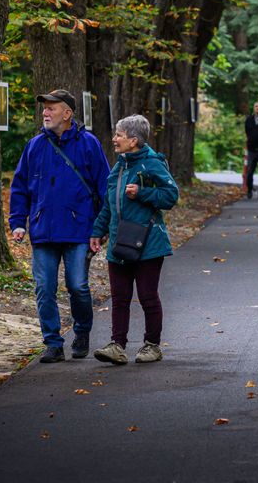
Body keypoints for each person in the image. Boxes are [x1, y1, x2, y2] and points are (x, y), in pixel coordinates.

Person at [9, 89, 111, 363]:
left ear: (67, 113)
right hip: (43, 230)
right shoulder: (34, 146)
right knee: (44, 287)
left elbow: (105, 186)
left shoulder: (89, 143)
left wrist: (101, 228)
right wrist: (18, 222)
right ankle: (53, 343)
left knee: (77, 286)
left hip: (80, 229)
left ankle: (82, 332)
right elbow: (20, 187)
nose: (45, 112)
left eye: (52, 108)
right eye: (44, 107)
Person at [89, 115, 179, 364]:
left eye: (119, 135)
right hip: (119, 241)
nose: (114, 139)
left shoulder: (151, 163)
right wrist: (98, 231)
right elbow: (109, 203)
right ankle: (117, 346)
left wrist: (143, 193)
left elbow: (171, 195)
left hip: (149, 241)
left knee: (148, 296)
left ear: (134, 140)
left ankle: (152, 345)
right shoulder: (120, 166)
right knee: (119, 298)